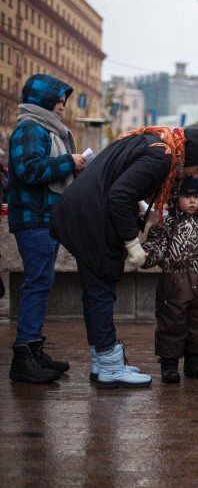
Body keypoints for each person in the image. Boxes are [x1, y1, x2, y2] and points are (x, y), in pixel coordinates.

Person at [50, 125, 198, 389]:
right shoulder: (161, 156)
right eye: (197, 169)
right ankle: (108, 365)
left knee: (97, 290)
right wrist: (132, 244)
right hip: (92, 219)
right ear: (190, 157)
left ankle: (103, 360)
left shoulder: (155, 142)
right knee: (101, 290)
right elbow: (119, 194)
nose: (193, 175)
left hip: (82, 213)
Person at [7, 74, 85, 384]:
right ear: (44, 104)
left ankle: (34, 350)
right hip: (33, 219)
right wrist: (70, 162)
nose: (62, 110)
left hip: (44, 219)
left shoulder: (43, 129)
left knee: (42, 282)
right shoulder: (30, 129)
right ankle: (24, 356)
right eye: (59, 105)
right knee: (37, 283)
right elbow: (28, 169)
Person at [141, 178, 198, 383]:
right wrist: (145, 254)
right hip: (174, 283)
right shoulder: (166, 225)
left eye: (196, 197)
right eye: (186, 196)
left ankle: (194, 362)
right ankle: (169, 364)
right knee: (172, 322)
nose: (192, 201)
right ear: (175, 198)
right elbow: (156, 248)